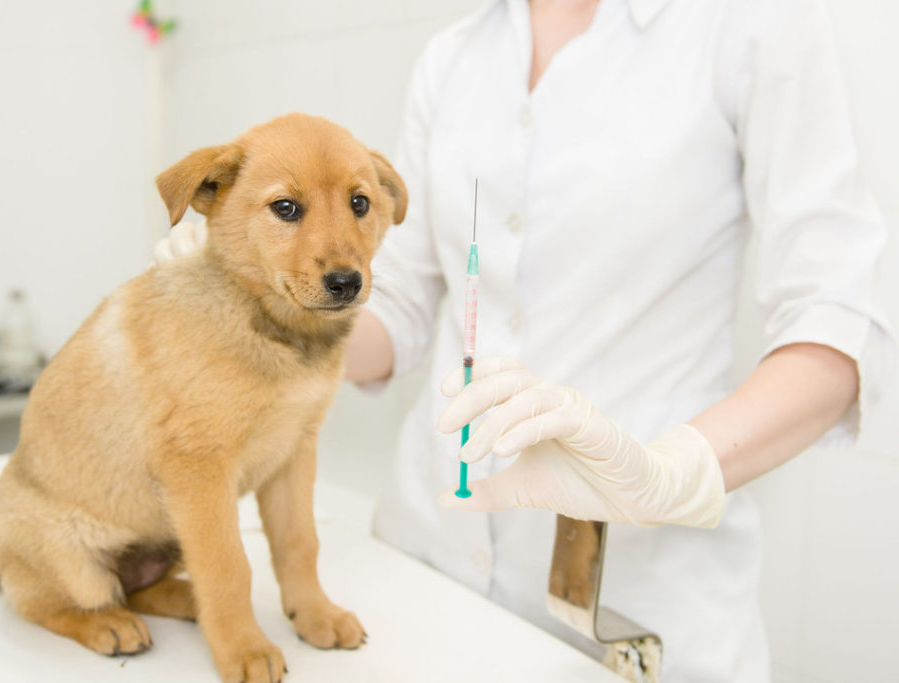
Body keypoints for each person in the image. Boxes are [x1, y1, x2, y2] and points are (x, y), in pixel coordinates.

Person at [155, 0, 895, 679]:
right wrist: (251, 303)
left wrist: (673, 469)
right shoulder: (454, 54)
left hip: (635, 595)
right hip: (424, 558)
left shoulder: (751, 24)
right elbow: (401, 302)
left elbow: (835, 317)